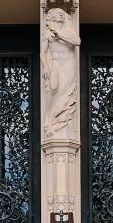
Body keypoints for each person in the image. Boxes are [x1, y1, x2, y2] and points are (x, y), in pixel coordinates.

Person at [41, 7, 80, 138]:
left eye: (59, 15)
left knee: (65, 91)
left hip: (68, 64)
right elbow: (43, 52)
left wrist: (59, 35)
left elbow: (77, 41)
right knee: (53, 89)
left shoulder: (67, 30)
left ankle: (60, 121)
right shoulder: (46, 33)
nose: (48, 22)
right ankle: (49, 120)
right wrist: (46, 66)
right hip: (56, 64)